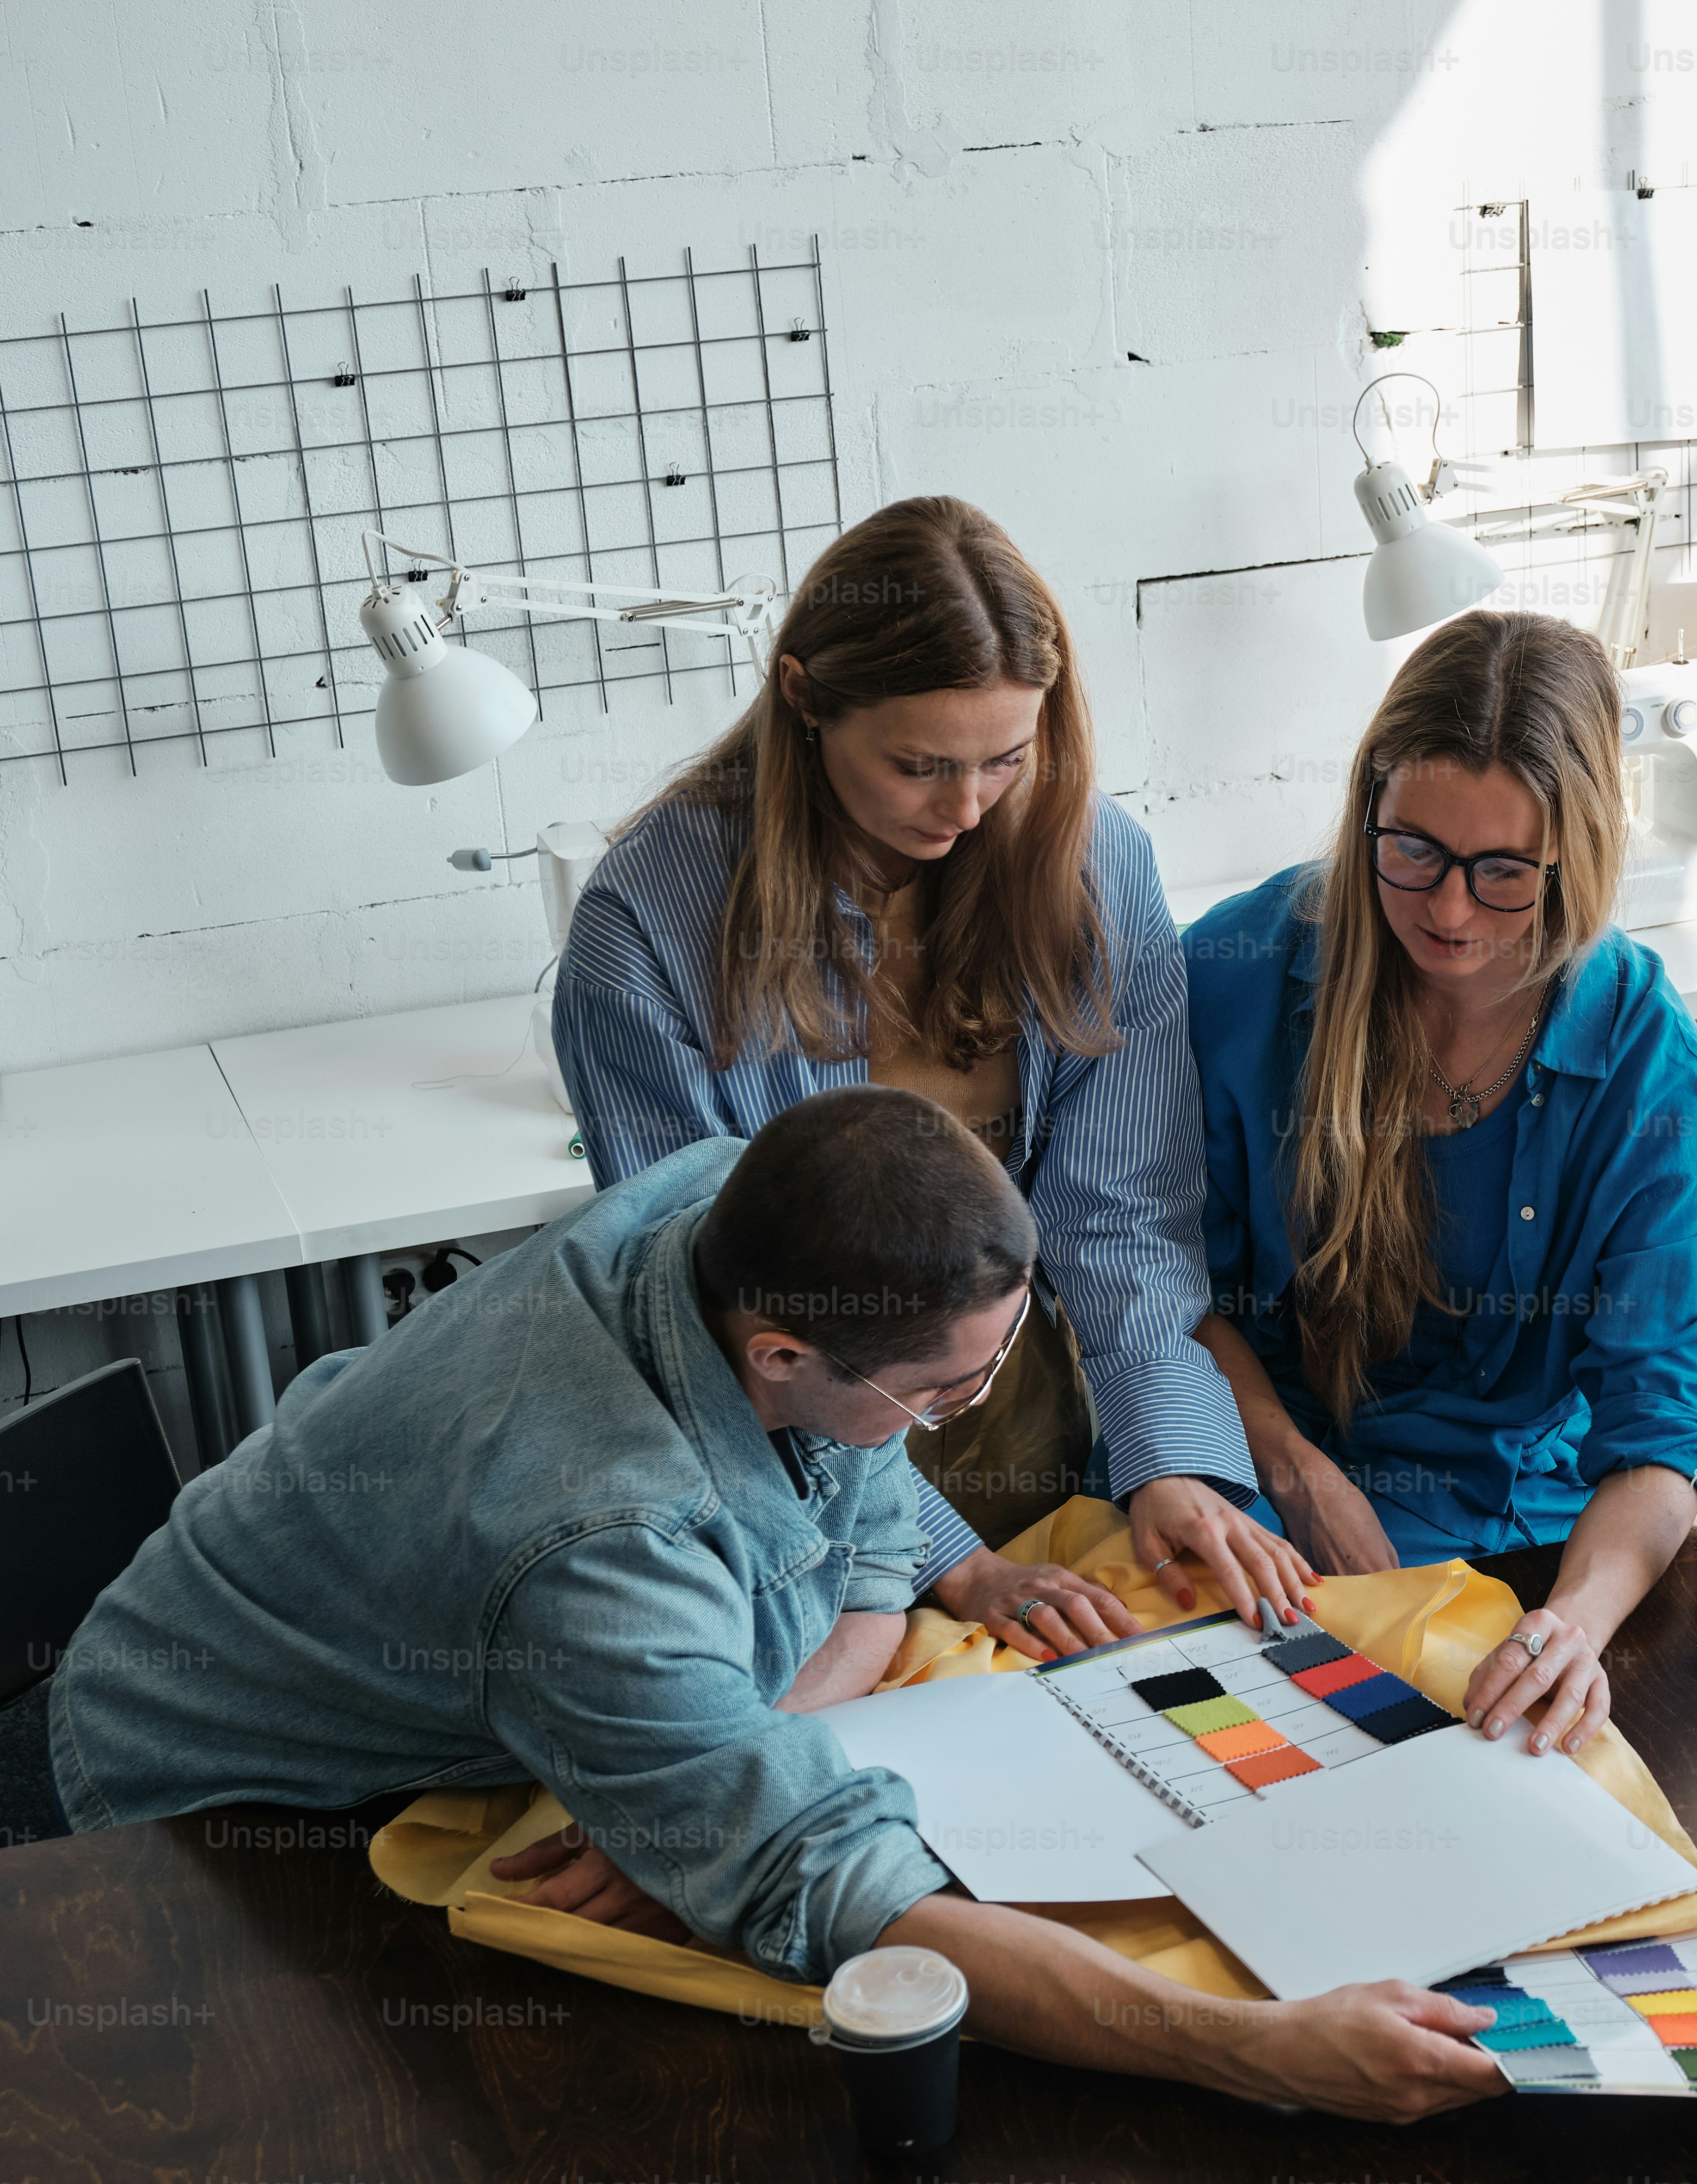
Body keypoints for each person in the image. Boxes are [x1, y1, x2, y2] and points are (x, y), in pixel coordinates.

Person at [47, 1089, 1505, 2121]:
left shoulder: (754, 1198)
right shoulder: (601, 1540)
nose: (971, 1416)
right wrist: (1255, 2047)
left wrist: (696, 1784)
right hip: (224, 1817)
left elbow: (864, 1558)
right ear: (782, 1351)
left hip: (438, 1626)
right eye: (944, 1389)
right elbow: (849, 1898)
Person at [553, 496, 1307, 1656]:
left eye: (1006, 760)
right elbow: (710, 1316)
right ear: (803, 700)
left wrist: (1166, 1458)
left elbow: (1119, 1217)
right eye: (918, 766)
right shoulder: (648, 924)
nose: (964, 810)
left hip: (1030, 1415)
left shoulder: (1095, 864)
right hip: (781, 1451)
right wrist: (947, 1561)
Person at [1184, 609, 1697, 1759]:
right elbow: (1155, 1284)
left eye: (1501, 875)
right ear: (1367, 809)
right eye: (1413, 852)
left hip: (1521, 1533)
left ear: (1574, 856)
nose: (1445, 912)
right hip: (1250, 1477)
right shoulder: (1235, 971)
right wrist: (1294, 1470)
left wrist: (1571, 1632)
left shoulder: (1638, 1048)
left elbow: (1665, 1426)